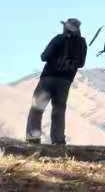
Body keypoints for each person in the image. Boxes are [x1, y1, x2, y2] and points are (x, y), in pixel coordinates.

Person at [25, 17, 87, 146]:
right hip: (65, 81)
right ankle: (58, 140)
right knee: (59, 110)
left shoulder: (59, 38)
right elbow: (81, 63)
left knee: (37, 108)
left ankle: (33, 139)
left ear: (66, 28)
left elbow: (44, 56)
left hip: (48, 78)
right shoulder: (82, 43)